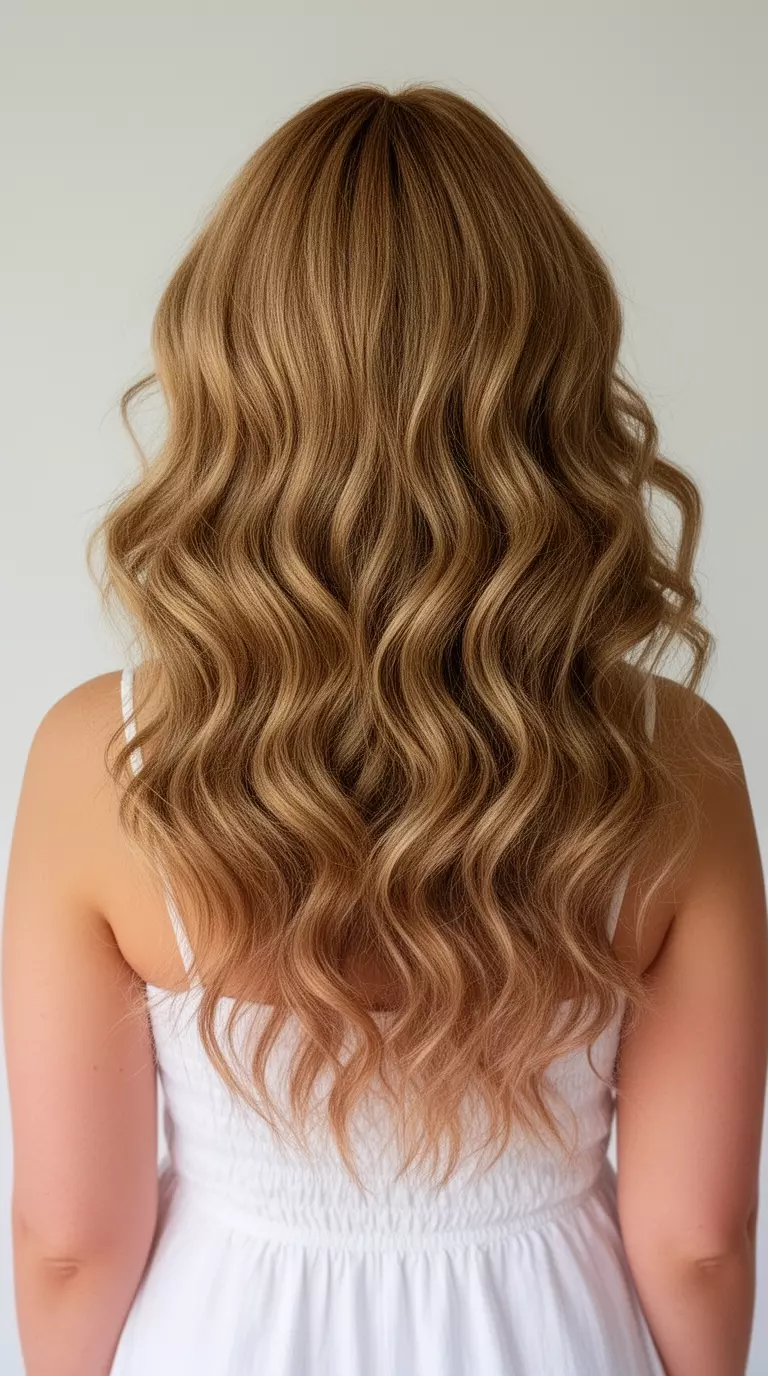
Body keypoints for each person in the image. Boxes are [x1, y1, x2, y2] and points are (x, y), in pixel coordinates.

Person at [2, 82, 766, 1376]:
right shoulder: (673, 761)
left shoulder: (101, 757)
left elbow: (72, 1240)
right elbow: (697, 1239)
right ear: (548, 382)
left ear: (232, 376)